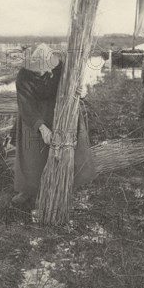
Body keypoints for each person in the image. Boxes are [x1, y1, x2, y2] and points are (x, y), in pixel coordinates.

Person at [11, 44, 97, 206]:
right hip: (34, 113)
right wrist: (41, 128)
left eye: (44, 68)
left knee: (67, 147)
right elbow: (26, 105)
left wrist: (82, 91)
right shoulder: (23, 76)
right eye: (37, 69)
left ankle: (68, 184)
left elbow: (78, 88)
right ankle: (29, 189)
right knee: (32, 151)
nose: (40, 72)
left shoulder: (63, 69)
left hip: (61, 110)